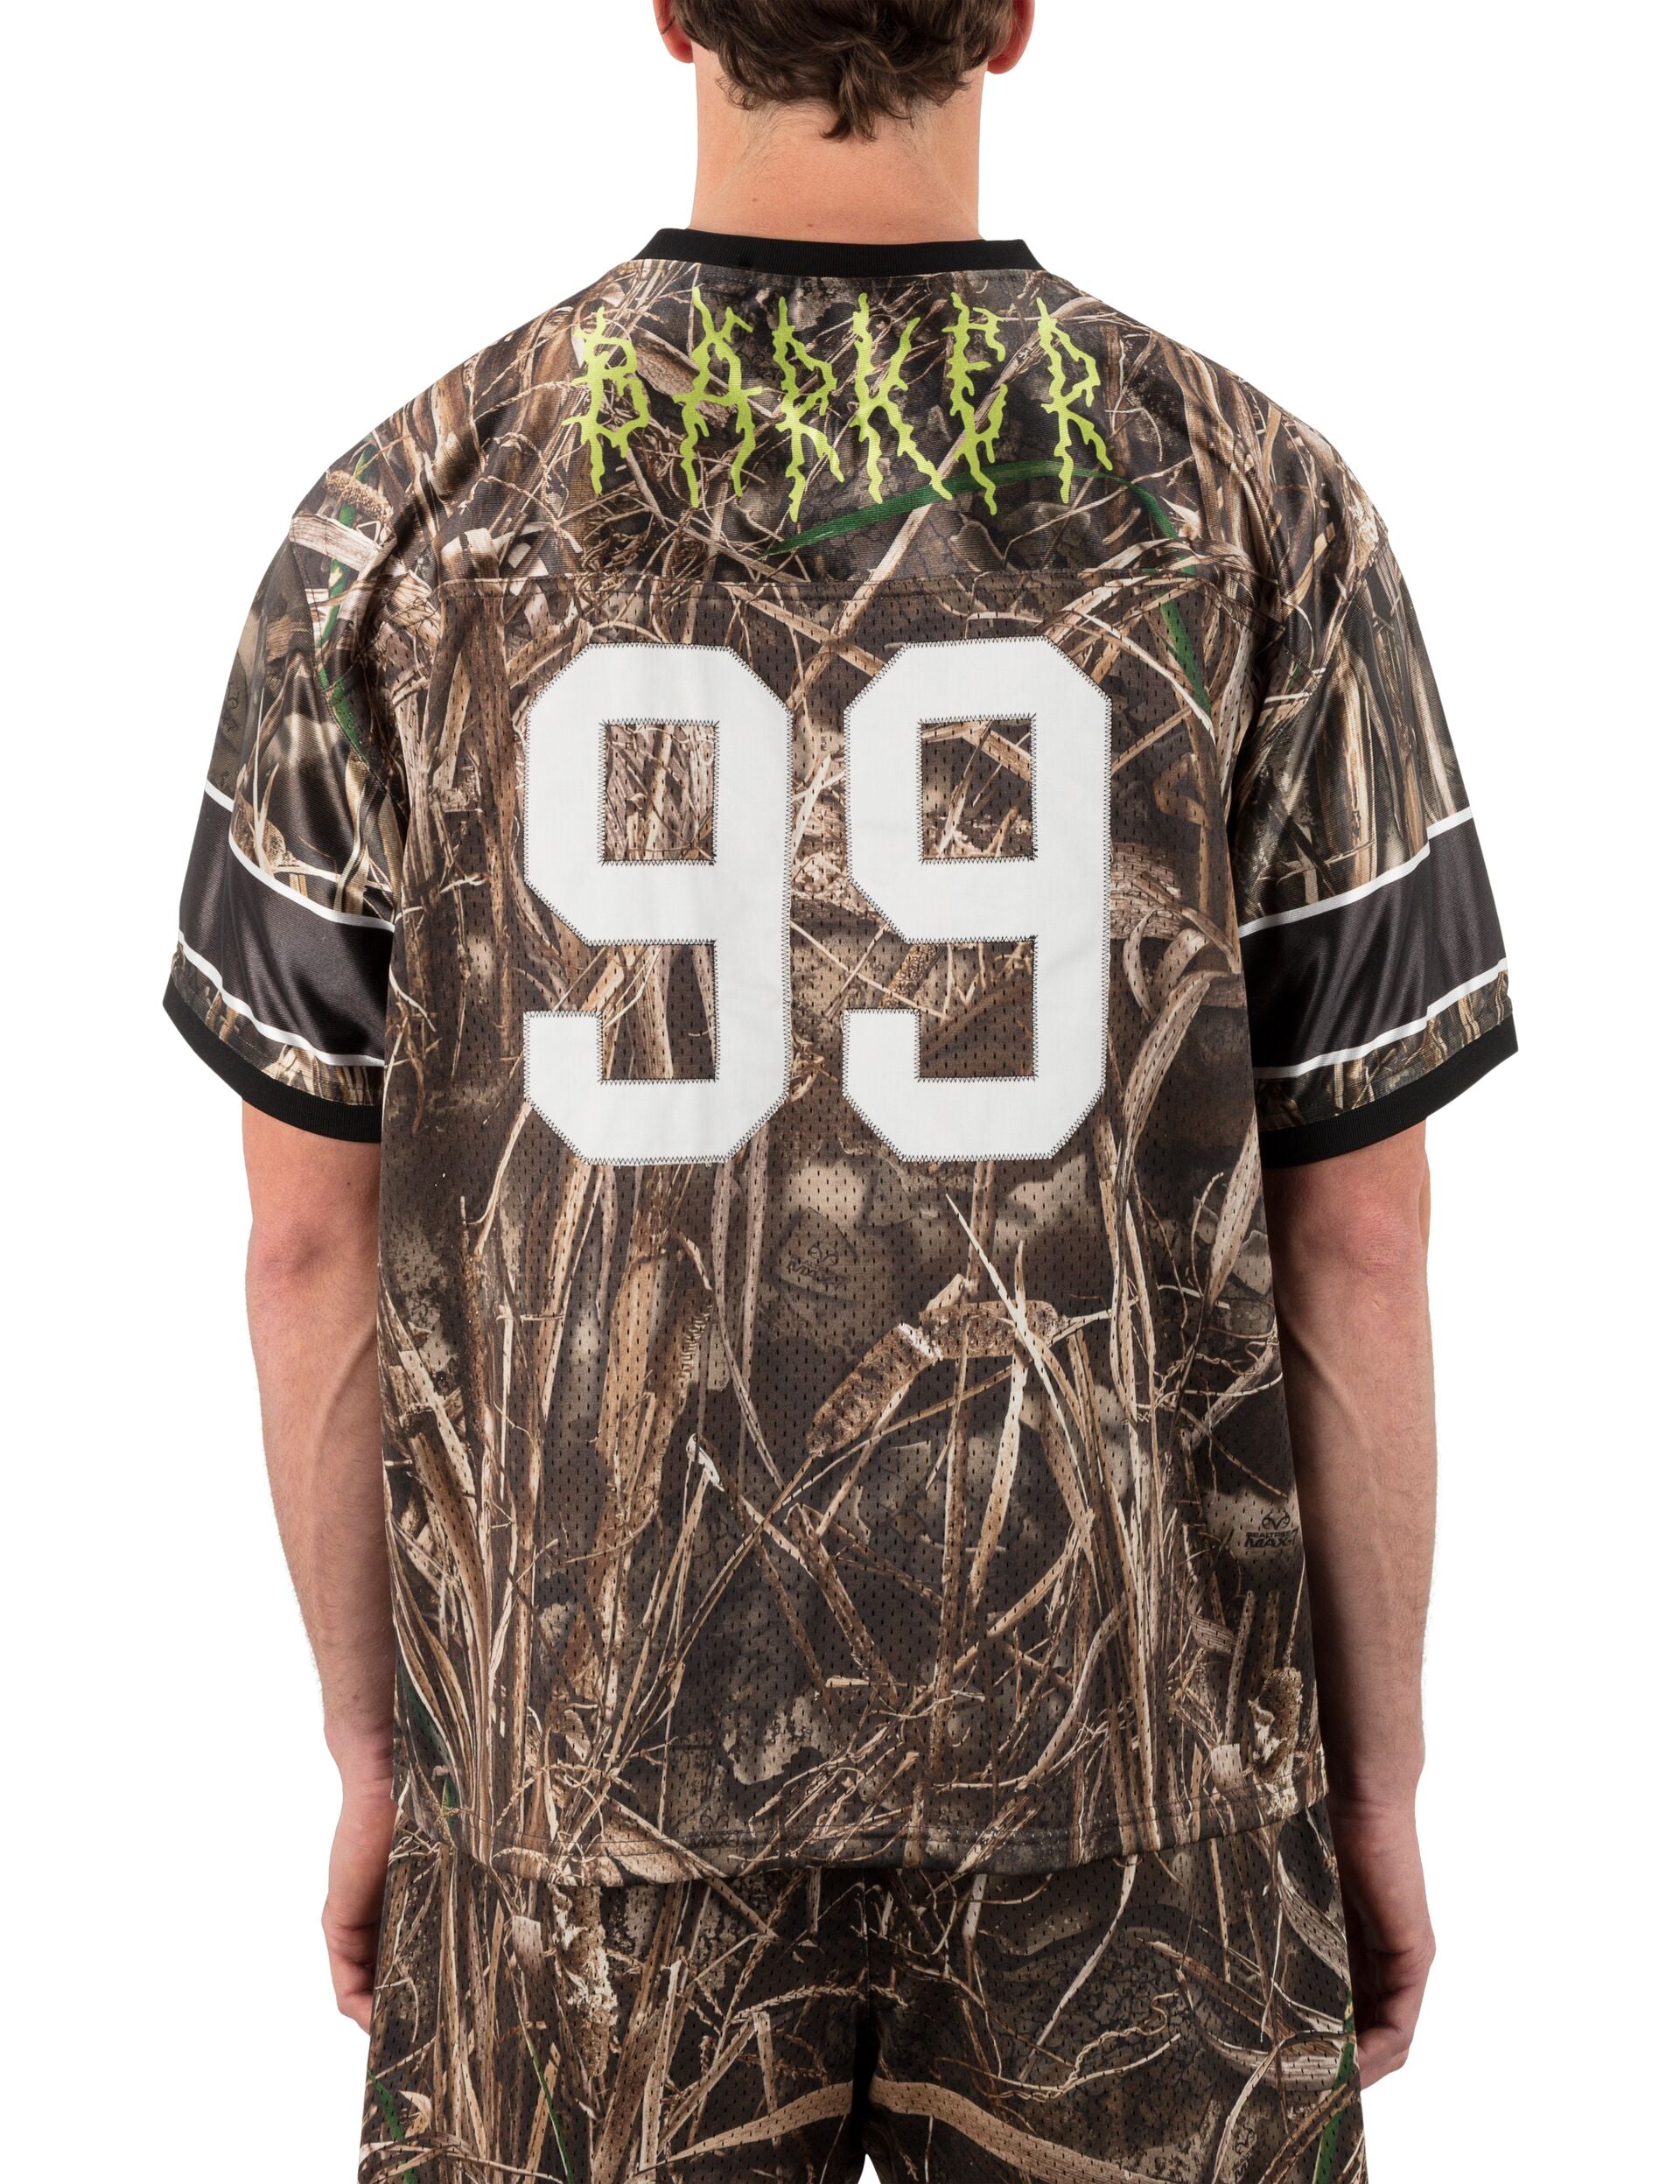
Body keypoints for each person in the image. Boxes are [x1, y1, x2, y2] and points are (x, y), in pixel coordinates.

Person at [164, 4, 1514, 2177]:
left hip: (580, 1786)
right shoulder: (1257, 502)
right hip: (1137, 1782)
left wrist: (382, 1756)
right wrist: (1376, 1781)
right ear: (1015, 18)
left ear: (674, 11)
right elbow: (1357, 1228)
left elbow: (305, 1240)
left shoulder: (401, 518)